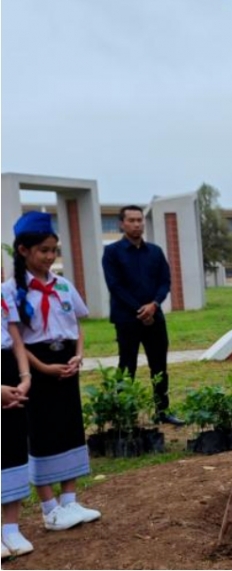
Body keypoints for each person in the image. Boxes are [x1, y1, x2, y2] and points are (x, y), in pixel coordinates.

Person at [3, 211, 101, 531]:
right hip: (36, 364)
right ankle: (49, 507)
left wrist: (79, 355)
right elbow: (16, 340)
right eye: (43, 250)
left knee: (70, 427)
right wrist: (42, 367)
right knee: (41, 431)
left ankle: (70, 500)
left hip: (67, 362)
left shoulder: (63, 285)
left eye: (53, 250)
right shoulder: (11, 290)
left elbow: (77, 325)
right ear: (23, 251)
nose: (49, 257)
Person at [102, 205, 182, 425]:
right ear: (122, 224)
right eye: (131, 220)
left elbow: (165, 281)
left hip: (155, 318)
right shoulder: (112, 253)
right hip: (127, 319)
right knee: (127, 366)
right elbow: (115, 286)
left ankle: (162, 411)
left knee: (159, 366)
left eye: (139, 220)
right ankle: (125, 414)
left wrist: (154, 305)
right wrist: (141, 310)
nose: (137, 224)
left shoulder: (155, 252)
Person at [2, 285, 34, 558]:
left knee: (13, 449)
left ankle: (11, 527)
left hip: (10, 373)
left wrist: (25, 379)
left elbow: (16, 339)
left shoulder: (3, 295)